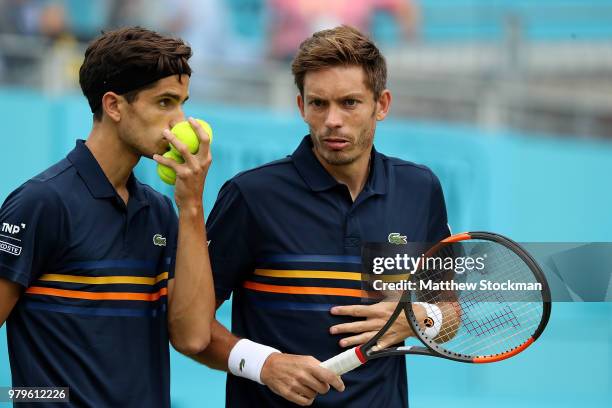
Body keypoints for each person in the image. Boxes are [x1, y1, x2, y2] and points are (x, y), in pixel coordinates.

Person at [192, 25, 450, 407]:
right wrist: (264, 364)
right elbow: (189, 326)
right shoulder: (251, 195)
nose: (332, 119)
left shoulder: (420, 189)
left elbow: (449, 310)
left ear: (382, 104)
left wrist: (416, 319)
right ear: (301, 107)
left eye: (349, 103)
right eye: (318, 104)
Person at [0, 27, 215, 407]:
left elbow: (193, 337)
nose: (180, 122)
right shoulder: (41, 202)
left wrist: (192, 207)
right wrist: (39, 397)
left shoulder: (162, 210)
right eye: (165, 102)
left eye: (182, 103)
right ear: (114, 106)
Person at [268, 0, 419, 61]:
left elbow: (404, 8)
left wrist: (407, 46)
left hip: (352, 61)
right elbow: (274, 30)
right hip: (295, 62)